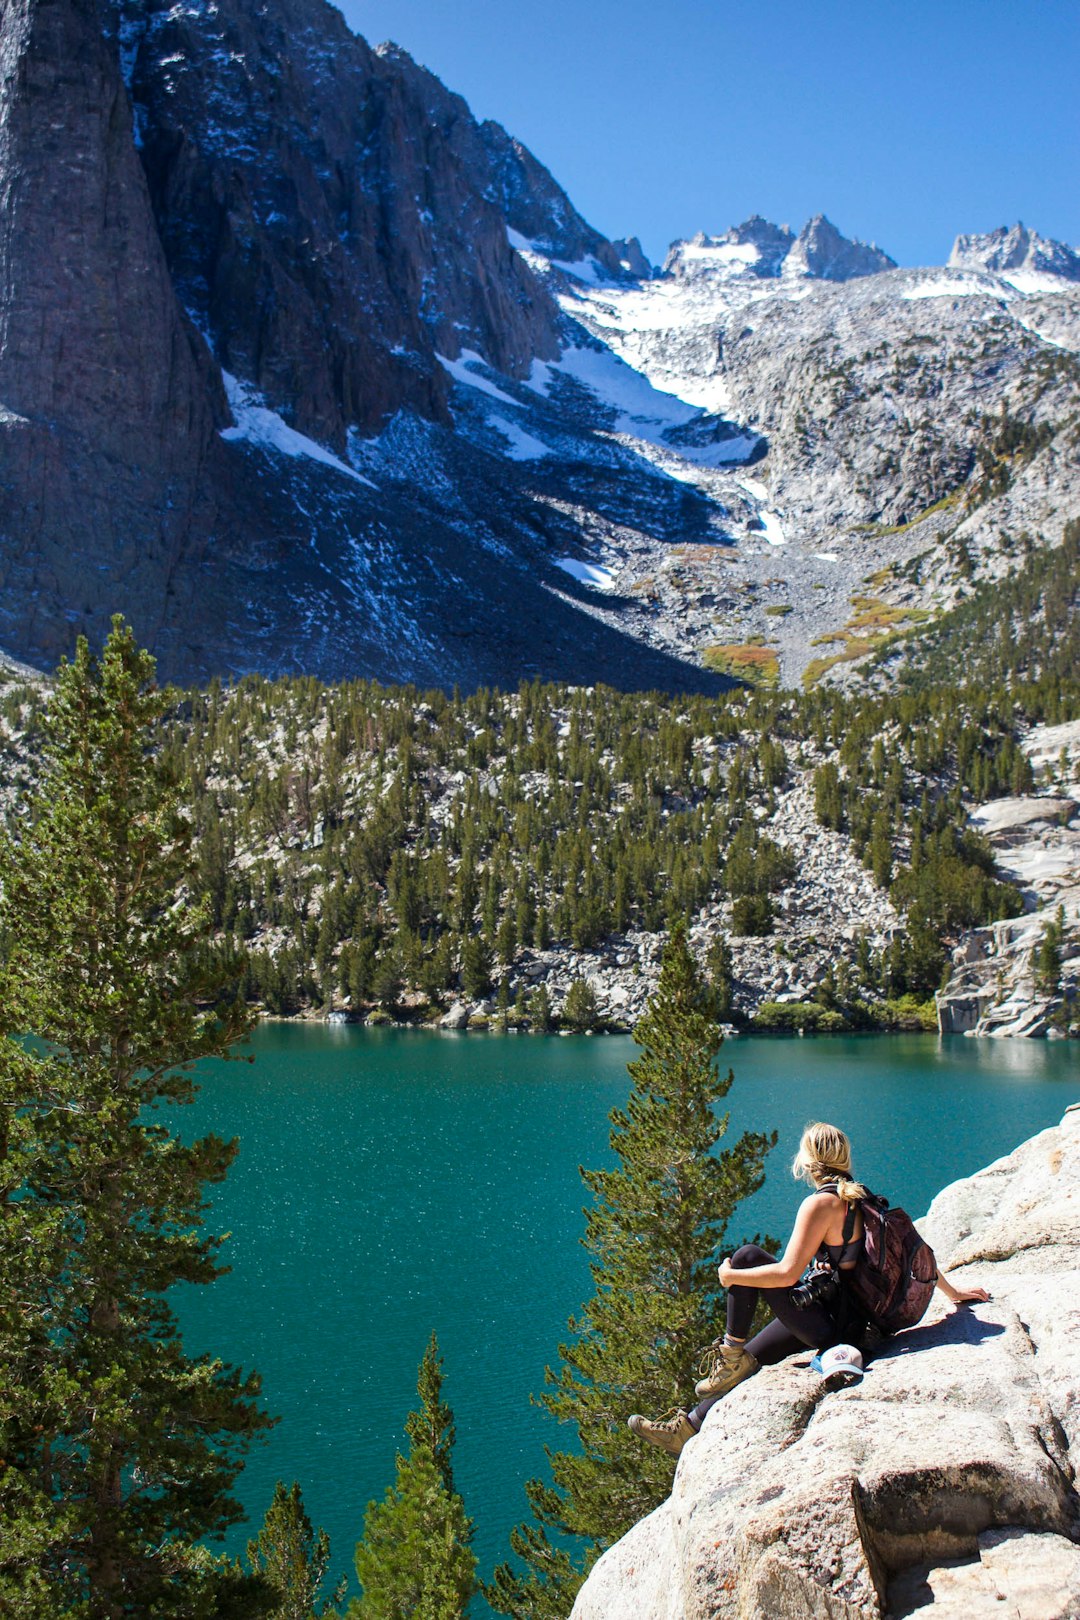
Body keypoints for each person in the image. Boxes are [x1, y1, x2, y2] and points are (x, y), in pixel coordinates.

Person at [628, 1120, 990, 1455]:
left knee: (747, 1257)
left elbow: (786, 1273)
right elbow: (912, 1255)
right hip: (855, 1320)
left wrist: (731, 1277)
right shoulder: (862, 1198)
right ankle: (688, 1427)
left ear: (807, 1161)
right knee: (755, 1358)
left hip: (836, 1327)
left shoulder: (821, 1204)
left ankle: (730, 1351)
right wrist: (954, 1294)